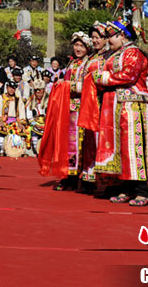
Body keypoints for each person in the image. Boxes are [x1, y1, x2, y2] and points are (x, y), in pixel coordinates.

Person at [94, 21, 148, 206]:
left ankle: (142, 190)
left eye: (111, 36)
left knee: (133, 148)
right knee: (120, 150)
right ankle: (125, 187)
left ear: (122, 35)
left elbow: (129, 75)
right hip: (117, 106)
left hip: (132, 106)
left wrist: (105, 78)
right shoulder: (118, 53)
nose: (108, 40)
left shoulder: (133, 53)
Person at [39, 32, 97, 192]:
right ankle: (69, 177)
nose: (78, 48)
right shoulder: (72, 64)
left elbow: (86, 87)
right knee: (69, 145)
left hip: (83, 109)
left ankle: (86, 179)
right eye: (76, 45)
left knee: (84, 145)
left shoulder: (89, 64)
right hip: (69, 110)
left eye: (81, 45)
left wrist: (64, 85)